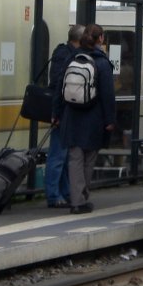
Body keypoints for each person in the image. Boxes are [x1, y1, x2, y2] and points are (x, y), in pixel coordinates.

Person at [55, 24, 116, 214]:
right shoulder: (102, 63)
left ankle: (77, 200)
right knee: (89, 159)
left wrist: (56, 113)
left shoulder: (70, 58)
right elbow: (107, 94)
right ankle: (81, 198)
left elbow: (59, 87)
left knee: (74, 159)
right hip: (94, 118)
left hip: (71, 116)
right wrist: (110, 120)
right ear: (100, 39)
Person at [45, 24, 83, 208]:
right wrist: (57, 112)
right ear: (79, 39)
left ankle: (65, 191)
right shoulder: (64, 55)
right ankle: (53, 195)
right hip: (62, 110)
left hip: (67, 110)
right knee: (58, 155)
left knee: (65, 154)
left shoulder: (65, 53)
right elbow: (60, 85)